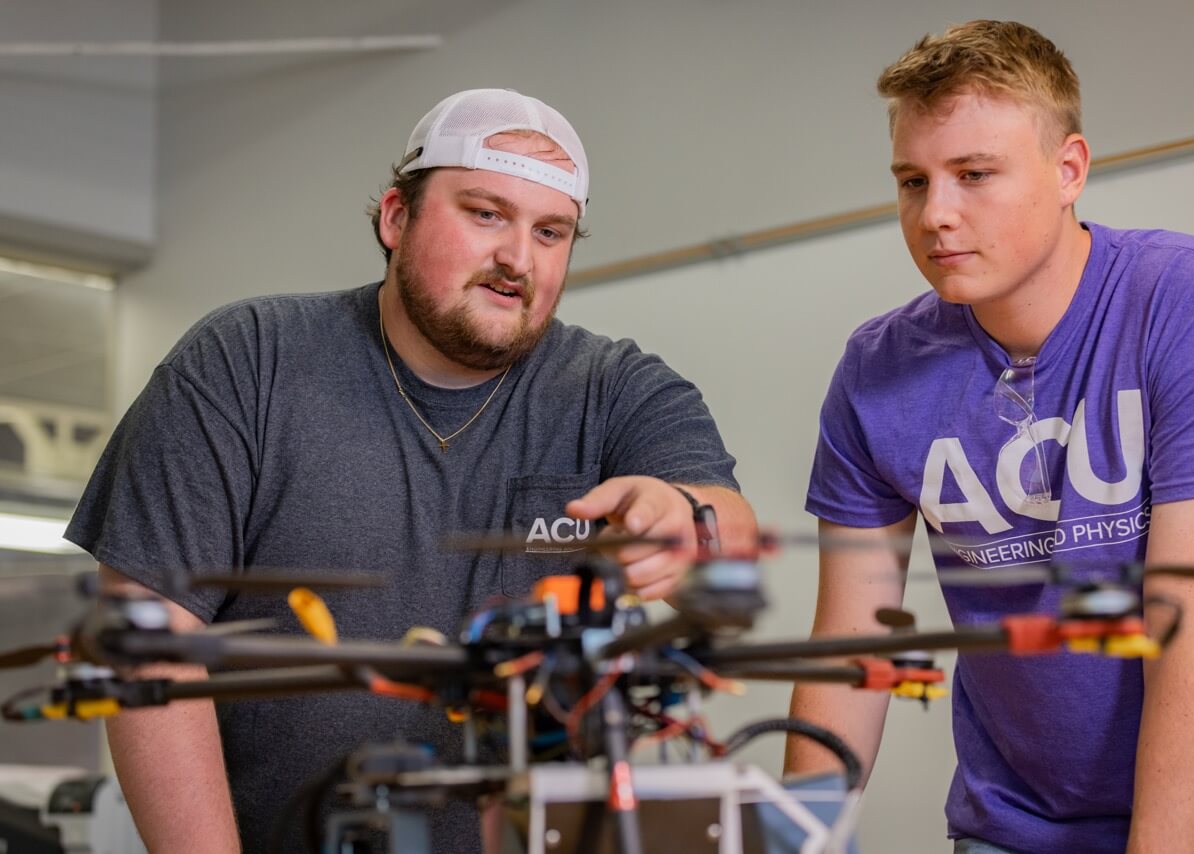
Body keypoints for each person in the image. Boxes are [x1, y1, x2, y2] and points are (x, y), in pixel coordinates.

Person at [66, 88, 756, 853]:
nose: (517, 259)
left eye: (551, 231)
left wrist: (681, 517)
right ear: (396, 218)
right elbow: (147, 643)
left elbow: (723, 518)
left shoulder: (614, 387)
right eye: (485, 213)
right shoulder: (246, 362)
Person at [785, 20, 1194, 854]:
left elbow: (1187, 621)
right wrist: (790, 842)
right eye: (913, 180)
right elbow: (854, 649)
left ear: (1068, 170)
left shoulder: (1193, 303)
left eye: (974, 175)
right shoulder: (876, 370)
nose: (936, 215)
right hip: (1010, 828)